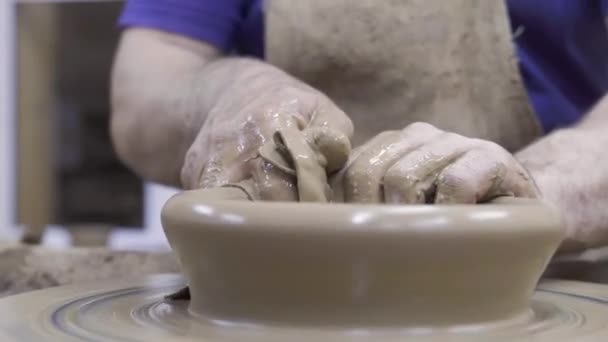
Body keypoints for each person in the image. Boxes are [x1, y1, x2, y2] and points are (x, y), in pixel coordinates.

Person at [110, 1, 608, 253]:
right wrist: (230, 92)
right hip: (278, 283)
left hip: (537, 272)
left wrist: (537, 194)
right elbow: (145, 93)